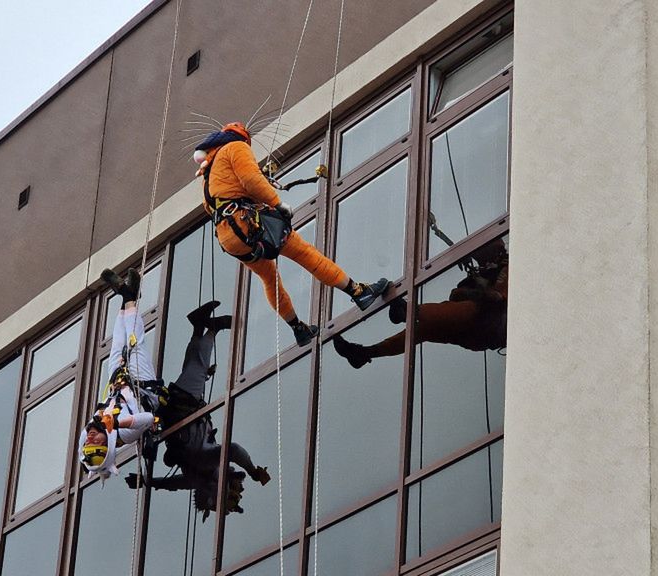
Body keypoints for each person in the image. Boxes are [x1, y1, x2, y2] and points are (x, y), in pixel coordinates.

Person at [192, 121, 390, 347]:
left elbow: (215, 205)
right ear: (242, 137)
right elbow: (251, 180)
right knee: (305, 254)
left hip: (230, 238)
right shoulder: (236, 148)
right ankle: (358, 292)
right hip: (248, 224)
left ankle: (298, 328)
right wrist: (277, 204)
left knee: (269, 278)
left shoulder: (209, 173)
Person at [124, 298, 271, 519]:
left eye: (235, 493)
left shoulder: (205, 462)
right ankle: (197, 325)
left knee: (198, 365)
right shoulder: (198, 473)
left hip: (183, 405)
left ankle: (211, 329)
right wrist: (147, 481)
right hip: (182, 407)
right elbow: (175, 484)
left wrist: (252, 470)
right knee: (194, 364)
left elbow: (232, 450)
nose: (239, 487)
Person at [333, 240, 508, 368]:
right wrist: (475, 286)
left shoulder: (509, 268)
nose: (483, 263)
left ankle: (408, 311)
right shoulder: (483, 273)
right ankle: (365, 353)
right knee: (425, 329)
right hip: (477, 330)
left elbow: (499, 297)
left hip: (494, 324)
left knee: (472, 308)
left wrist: (481, 290)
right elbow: (456, 295)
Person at [79, 267, 158, 480]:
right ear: (107, 445)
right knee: (135, 339)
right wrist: (116, 423)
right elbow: (149, 418)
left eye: (87, 444)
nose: (90, 438)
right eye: (94, 443)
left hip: (116, 382)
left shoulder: (90, 431)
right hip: (140, 384)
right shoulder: (125, 434)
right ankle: (127, 295)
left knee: (118, 342)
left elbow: (83, 447)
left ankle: (126, 297)